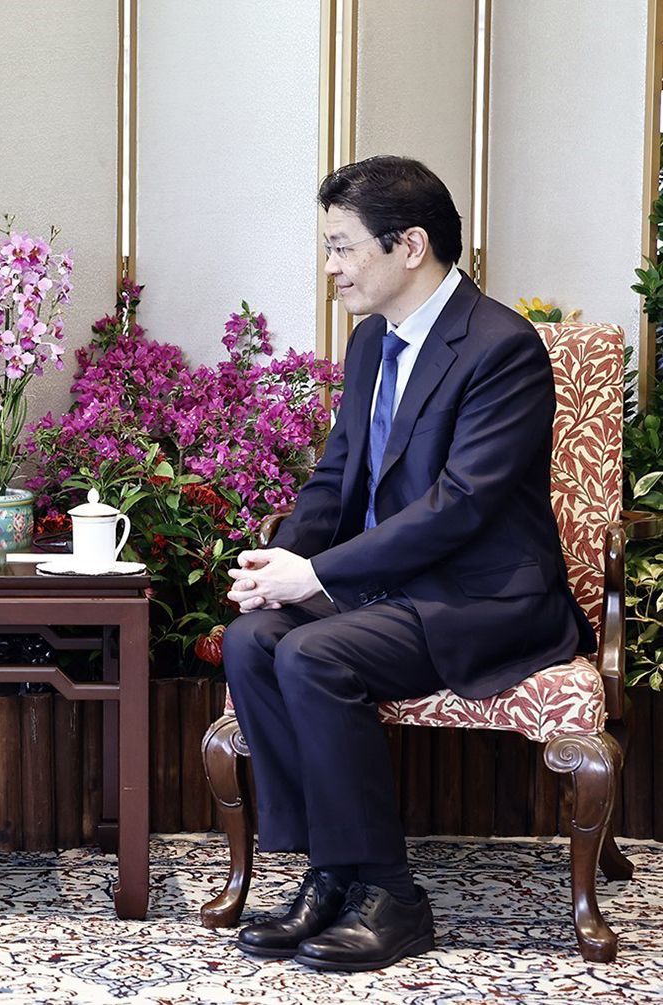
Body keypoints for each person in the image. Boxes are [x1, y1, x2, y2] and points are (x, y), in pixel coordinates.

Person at [221, 155, 593, 971]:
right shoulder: (370, 343)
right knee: (251, 639)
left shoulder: (501, 347)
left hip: (482, 596)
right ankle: (330, 872)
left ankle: (392, 894)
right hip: (388, 589)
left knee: (314, 652)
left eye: (342, 247)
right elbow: (335, 478)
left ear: (410, 244)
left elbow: (459, 505)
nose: (330, 267)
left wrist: (318, 577)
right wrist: (282, 559)